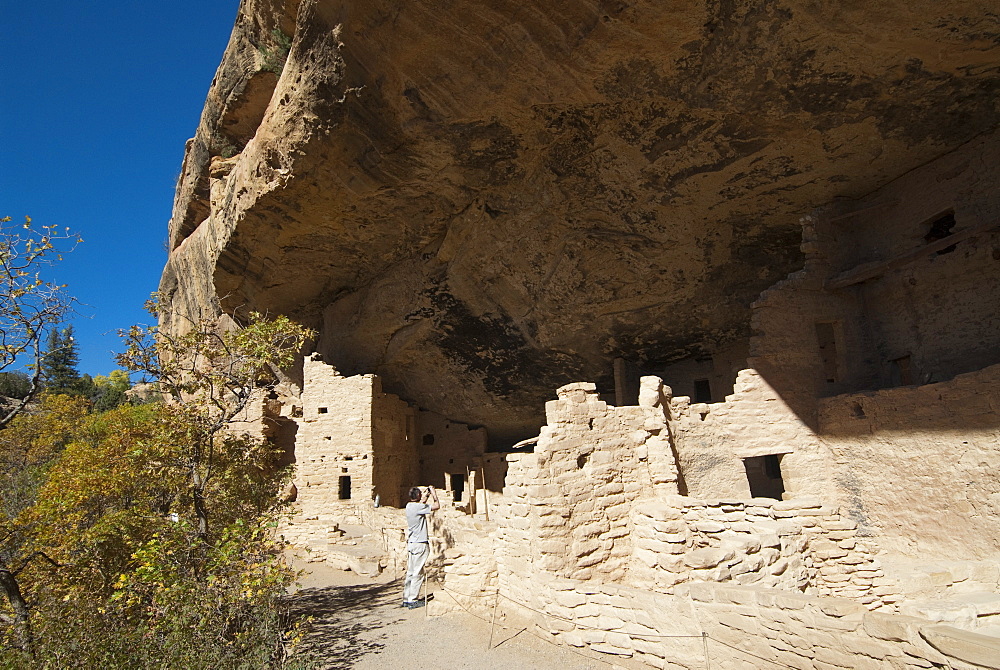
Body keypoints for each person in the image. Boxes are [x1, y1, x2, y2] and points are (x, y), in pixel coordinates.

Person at [402, 485, 439, 608]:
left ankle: (406, 598)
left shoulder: (409, 506)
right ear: (418, 496)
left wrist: (426, 494)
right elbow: (436, 506)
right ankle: (413, 600)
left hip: (412, 544)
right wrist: (434, 494)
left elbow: (422, 503)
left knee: (411, 571)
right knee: (418, 572)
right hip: (420, 544)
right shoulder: (418, 507)